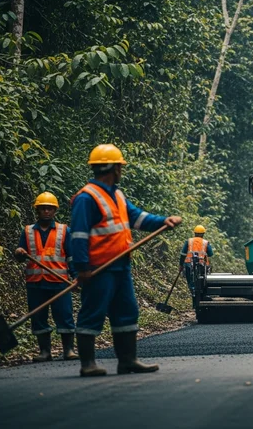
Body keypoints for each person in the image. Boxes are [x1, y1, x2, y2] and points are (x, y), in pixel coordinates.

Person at [71, 144, 182, 377]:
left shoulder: (117, 195)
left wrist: (163, 221)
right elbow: (79, 235)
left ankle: (128, 361)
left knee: (127, 311)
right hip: (99, 268)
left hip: (121, 266)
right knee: (93, 311)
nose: (122, 170)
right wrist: (81, 268)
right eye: (120, 166)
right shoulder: (87, 198)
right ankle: (88, 364)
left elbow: (137, 218)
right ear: (113, 168)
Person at [13, 192, 78, 362]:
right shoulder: (27, 231)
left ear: (55, 210)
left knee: (64, 315)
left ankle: (68, 350)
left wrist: (76, 276)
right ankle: (44, 351)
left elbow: (71, 257)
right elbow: (20, 255)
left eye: (50, 208)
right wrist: (19, 252)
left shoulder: (64, 231)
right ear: (38, 210)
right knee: (38, 317)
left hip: (59, 282)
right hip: (35, 283)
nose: (46, 211)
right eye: (43, 209)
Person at [180, 225, 214, 297]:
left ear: (194, 233)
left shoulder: (189, 241)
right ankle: (203, 293)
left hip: (188, 264)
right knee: (203, 279)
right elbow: (210, 254)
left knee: (190, 280)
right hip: (202, 264)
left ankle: (192, 291)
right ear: (203, 234)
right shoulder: (206, 242)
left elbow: (183, 254)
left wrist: (181, 265)